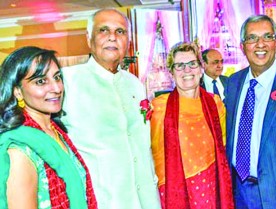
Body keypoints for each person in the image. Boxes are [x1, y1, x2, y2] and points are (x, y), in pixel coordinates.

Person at [60, 8, 161, 209]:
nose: (112, 37)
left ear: (128, 41)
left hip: (147, 200)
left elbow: (143, 145)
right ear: (89, 38)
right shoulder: (67, 81)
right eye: (103, 30)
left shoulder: (135, 84)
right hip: (101, 200)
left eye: (120, 31)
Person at [0, 46, 97, 209]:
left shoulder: (56, 132)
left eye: (57, 77)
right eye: (41, 81)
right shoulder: (20, 151)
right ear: (17, 92)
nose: (57, 88)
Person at [225, 14, 276, 209]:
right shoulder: (233, 83)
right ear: (243, 46)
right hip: (238, 194)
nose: (260, 44)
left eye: (267, 37)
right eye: (252, 38)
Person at [151, 42, 234, 209]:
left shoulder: (215, 104)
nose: (187, 70)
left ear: (201, 68)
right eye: (179, 66)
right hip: (175, 191)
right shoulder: (159, 107)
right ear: (171, 73)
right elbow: (149, 153)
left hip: (212, 189)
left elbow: (224, 148)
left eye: (192, 64)